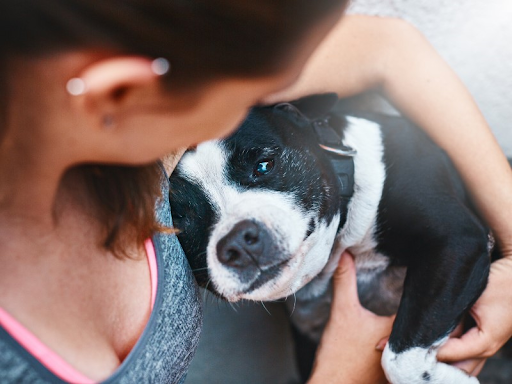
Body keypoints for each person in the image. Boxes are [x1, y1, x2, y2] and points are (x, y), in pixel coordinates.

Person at [0, 1, 510, 383]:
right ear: (124, 92)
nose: (272, 103)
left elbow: (387, 49)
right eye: (249, 99)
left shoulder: (137, 122)